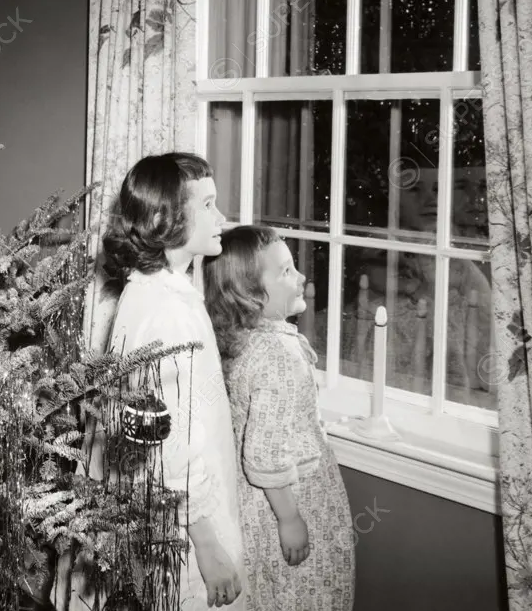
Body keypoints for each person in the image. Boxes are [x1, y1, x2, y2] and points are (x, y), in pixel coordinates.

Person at [55, 152, 246, 610]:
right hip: (178, 528)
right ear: (165, 218)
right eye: (207, 205)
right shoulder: (165, 312)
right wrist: (206, 539)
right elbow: (165, 442)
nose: (221, 217)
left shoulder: (156, 290)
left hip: (164, 513)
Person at [204, 225, 354, 611]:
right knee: (306, 596)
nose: (302, 277)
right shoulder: (277, 355)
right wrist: (290, 519)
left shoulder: (245, 341)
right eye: (287, 271)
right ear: (250, 292)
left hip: (256, 506)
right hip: (285, 503)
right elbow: (265, 453)